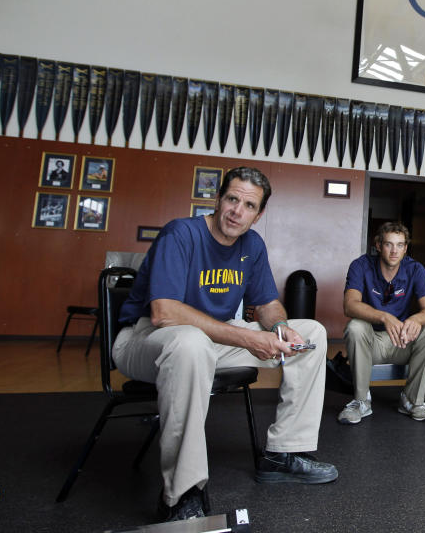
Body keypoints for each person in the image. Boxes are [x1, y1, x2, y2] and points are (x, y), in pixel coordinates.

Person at [114, 167, 337, 522]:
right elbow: (164, 312)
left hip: (212, 340)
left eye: (249, 205)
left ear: (259, 214)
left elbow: (265, 304)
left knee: (311, 332)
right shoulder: (181, 233)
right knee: (190, 343)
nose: (237, 211)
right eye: (232, 199)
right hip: (147, 339)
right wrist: (248, 337)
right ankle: (182, 494)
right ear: (218, 200)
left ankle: (284, 453)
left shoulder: (252, 245)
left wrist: (279, 327)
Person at [339, 221, 425, 423]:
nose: (394, 251)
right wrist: (384, 317)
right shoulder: (361, 265)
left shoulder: (415, 269)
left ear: (405, 248)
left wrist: (416, 319)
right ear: (378, 245)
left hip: (402, 341)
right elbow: (350, 306)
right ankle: (361, 401)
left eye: (400, 245)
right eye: (388, 244)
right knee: (355, 326)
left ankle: (412, 400)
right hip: (372, 342)